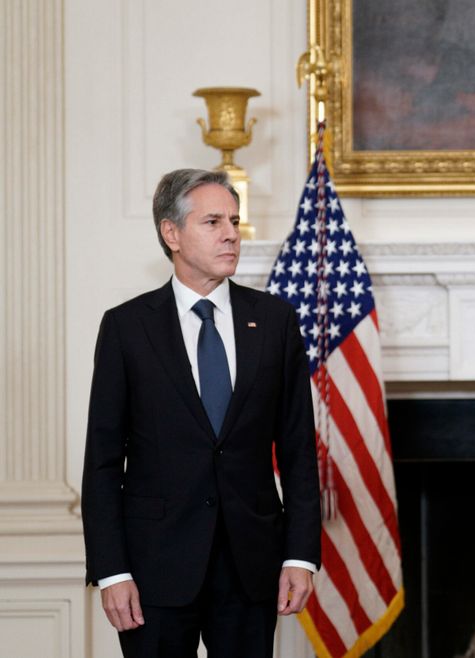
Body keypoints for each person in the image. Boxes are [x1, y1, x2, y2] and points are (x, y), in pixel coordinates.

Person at [81, 169, 322, 657]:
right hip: (153, 570)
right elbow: (103, 463)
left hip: (251, 564)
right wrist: (113, 570)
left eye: (234, 220)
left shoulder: (275, 321)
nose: (232, 233)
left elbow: (298, 450)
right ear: (171, 233)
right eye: (213, 221)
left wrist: (300, 556)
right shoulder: (127, 328)